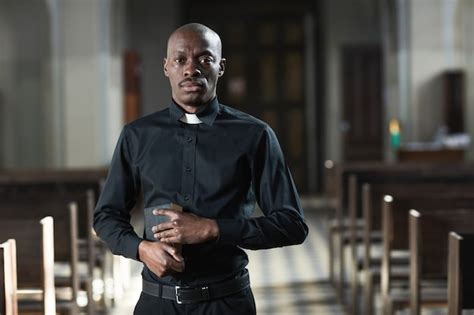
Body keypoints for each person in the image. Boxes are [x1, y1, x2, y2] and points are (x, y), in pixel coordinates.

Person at [93, 22, 308, 315]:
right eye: (180, 59)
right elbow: (106, 216)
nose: (191, 69)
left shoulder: (254, 135)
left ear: (220, 67)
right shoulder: (137, 135)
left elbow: (292, 224)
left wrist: (212, 228)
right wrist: (141, 249)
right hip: (157, 303)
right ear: (166, 67)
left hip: (227, 301)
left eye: (204, 59)